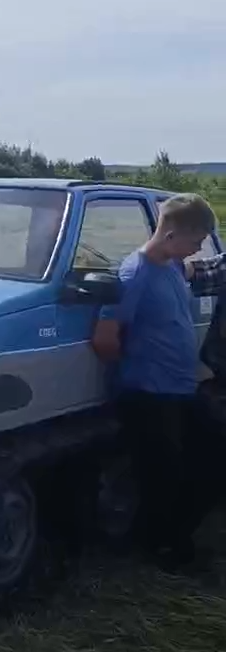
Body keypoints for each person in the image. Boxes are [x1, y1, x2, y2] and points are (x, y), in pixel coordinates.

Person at [91, 193, 223, 573]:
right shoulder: (136, 275)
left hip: (181, 389)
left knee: (213, 459)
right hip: (150, 394)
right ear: (171, 236)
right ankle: (163, 548)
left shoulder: (172, 268)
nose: (198, 250)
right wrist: (136, 375)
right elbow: (105, 337)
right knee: (162, 477)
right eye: (195, 241)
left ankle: (173, 536)